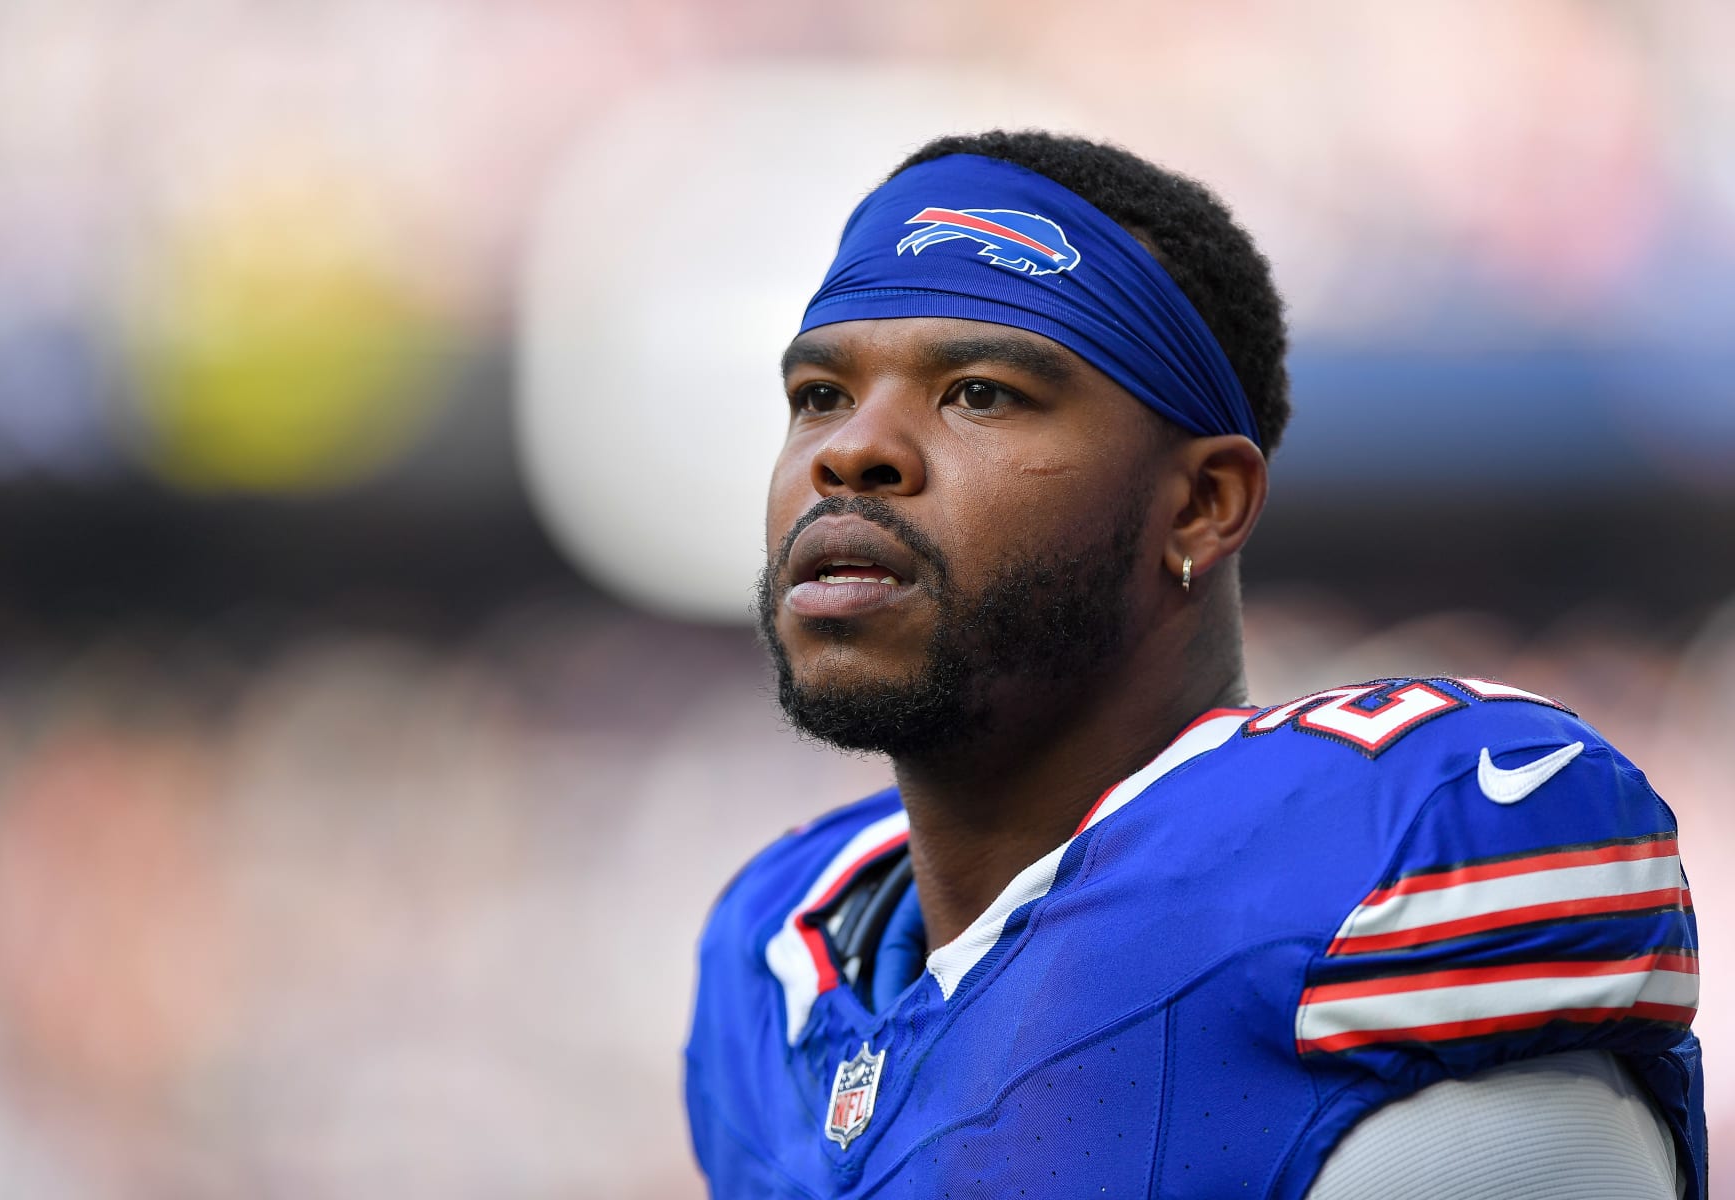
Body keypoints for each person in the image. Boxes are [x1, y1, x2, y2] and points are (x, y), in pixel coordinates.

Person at [684, 130, 1706, 1199]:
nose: (852, 451)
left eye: (980, 392)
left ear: (1203, 504)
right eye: (820, 395)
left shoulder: (1370, 871)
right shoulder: (770, 955)